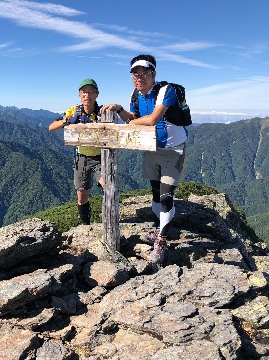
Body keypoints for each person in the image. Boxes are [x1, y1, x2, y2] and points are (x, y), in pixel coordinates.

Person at [102, 54, 188, 263]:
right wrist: (119, 109)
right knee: (156, 193)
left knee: (167, 196)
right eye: (135, 74)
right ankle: (160, 229)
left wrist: (127, 125)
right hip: (151, 149)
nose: (140, 77)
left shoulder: (165, 91)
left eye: (145, 73)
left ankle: (162, 240)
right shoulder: (136, 94)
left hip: (173, 149)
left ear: (154, 74)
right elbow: (134, 118)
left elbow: (151, 119)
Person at [49, 78, 103, 225]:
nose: (87, 95)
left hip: (101, 157)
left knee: (108, 186)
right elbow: (52, 127)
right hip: (81, 157)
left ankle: (108, 220)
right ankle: (86, 226)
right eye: (84, 92)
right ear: (79, 95)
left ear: (97, 94)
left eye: (91, 92)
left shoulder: (102, 112)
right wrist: (68, 121)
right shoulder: (74, 111)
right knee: (81, 194)